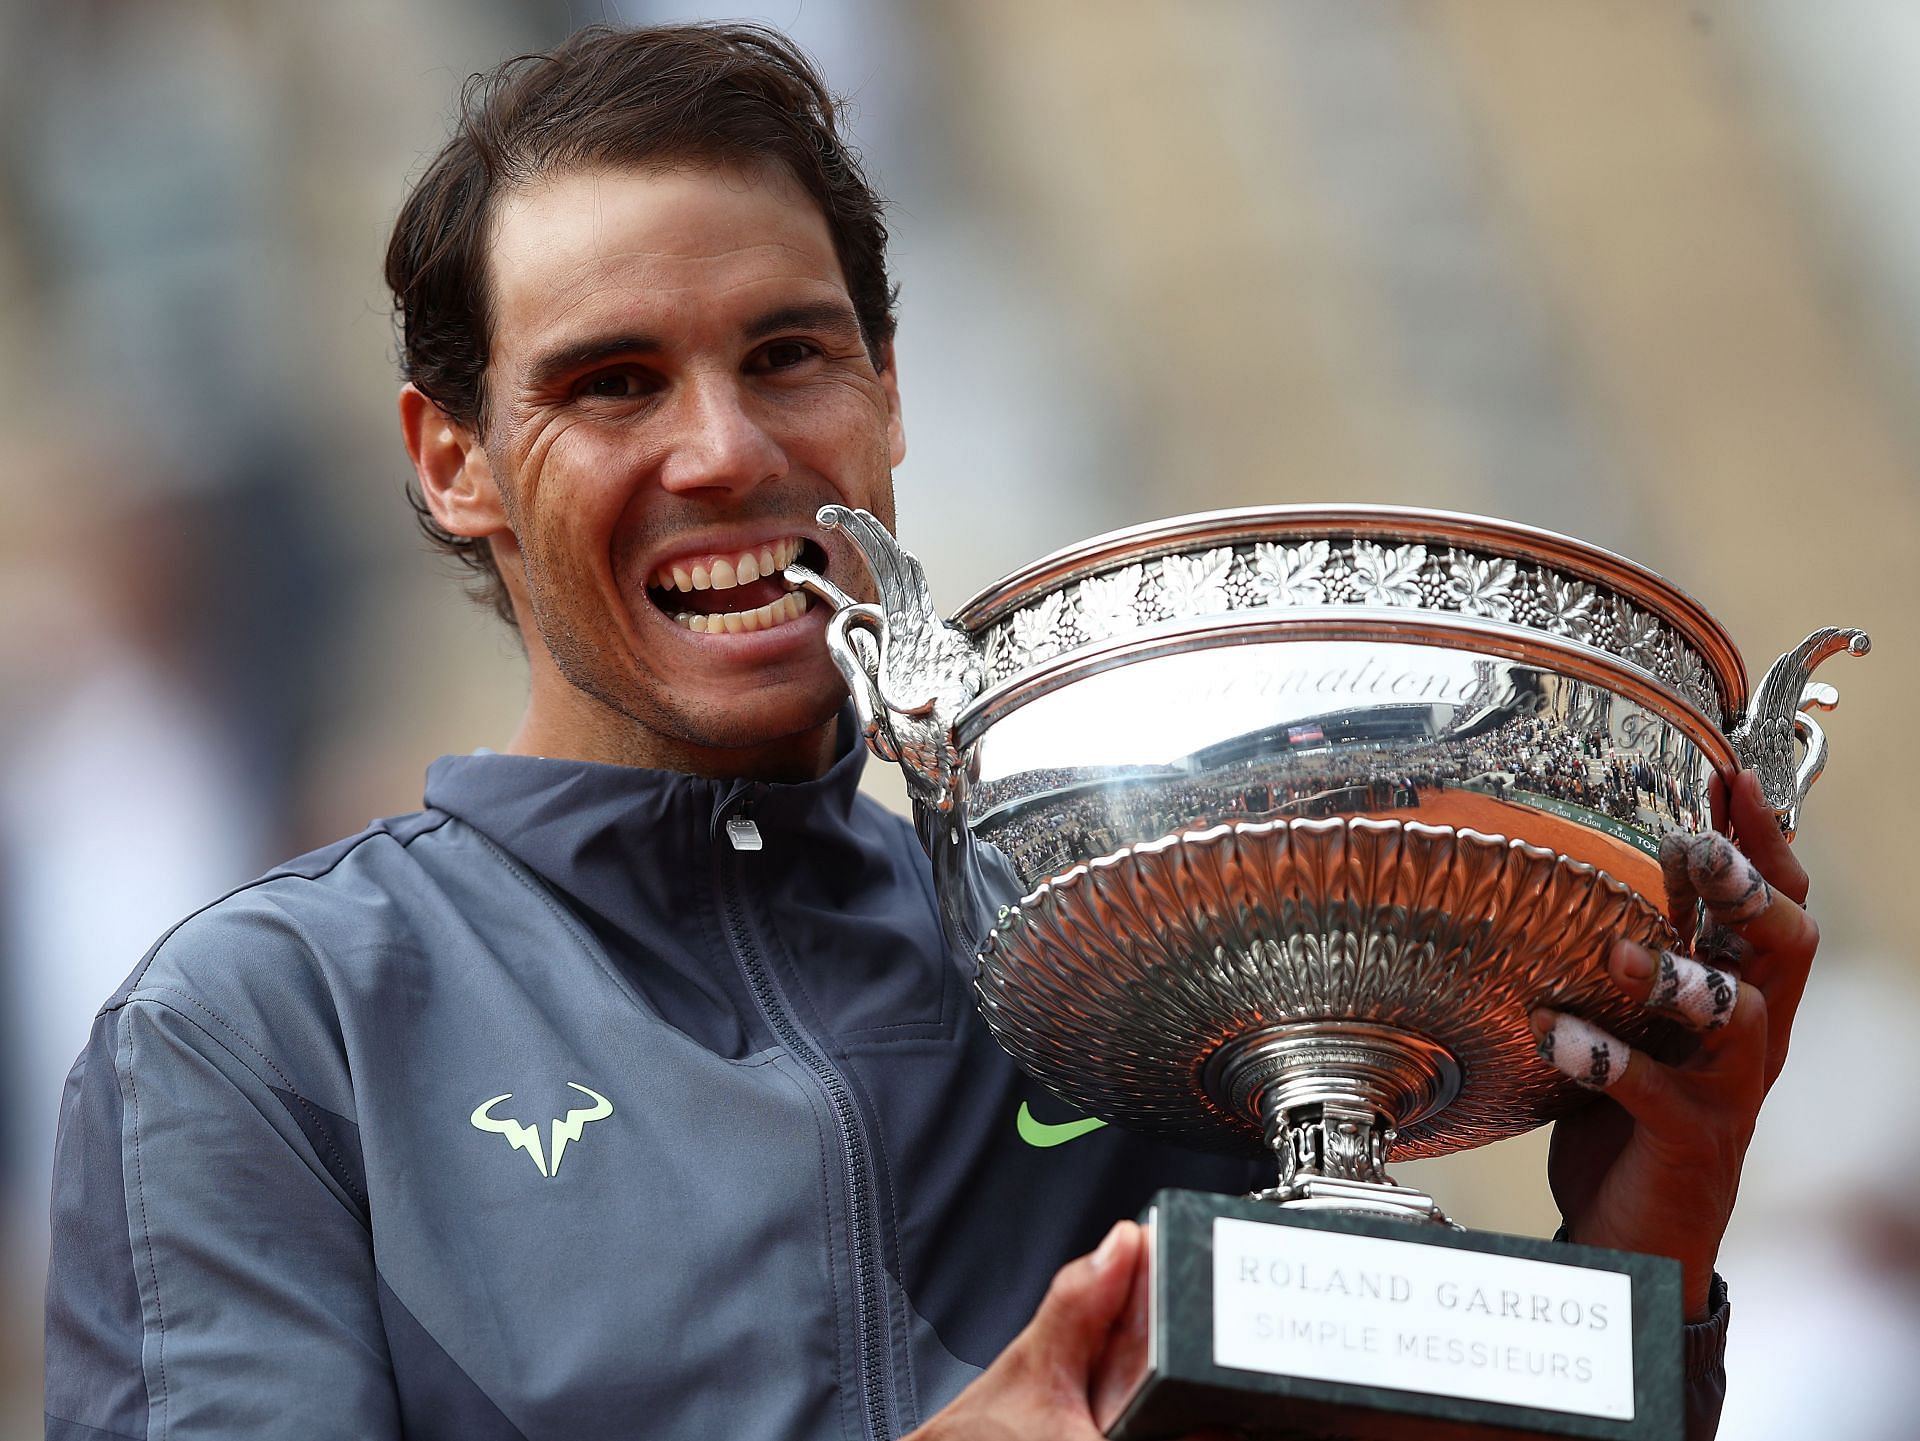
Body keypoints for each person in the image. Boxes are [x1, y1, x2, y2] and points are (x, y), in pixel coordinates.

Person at [44, 23, 1816, 1441]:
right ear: (454, 465)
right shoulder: (270, 1034)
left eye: (790, 354)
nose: (726, 451)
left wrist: (1649, 1251)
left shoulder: (1127, 959)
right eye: (612, 383)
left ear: (889, 393)